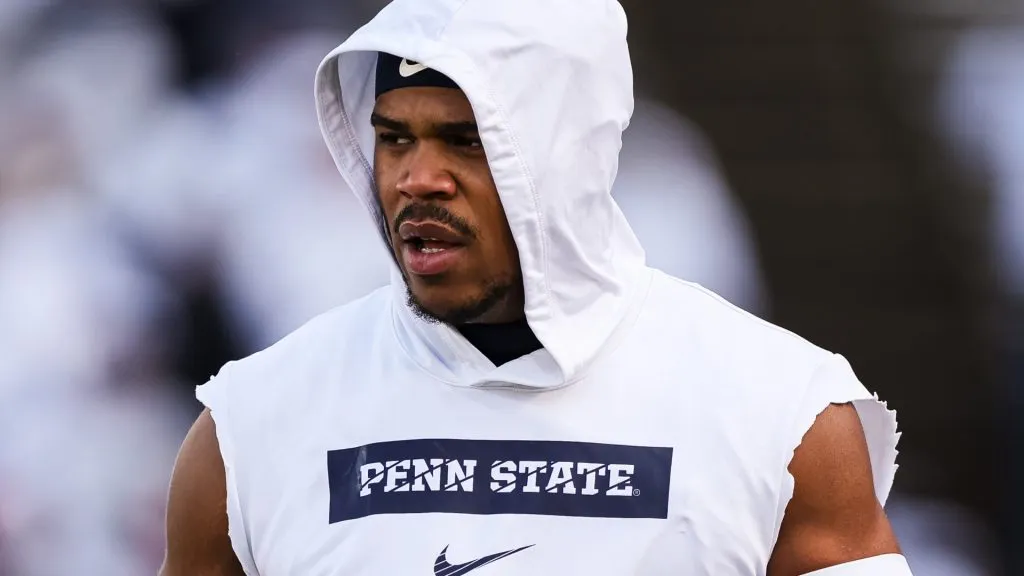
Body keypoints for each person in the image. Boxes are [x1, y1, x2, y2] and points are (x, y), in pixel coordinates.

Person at [160, 1, 910, 574]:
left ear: (567, 153)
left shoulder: (781, 415)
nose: (416, 179)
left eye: (466, 140)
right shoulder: (252, 426)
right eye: (394, 138)